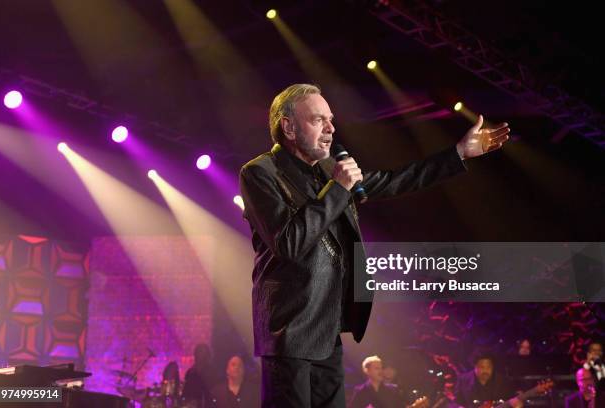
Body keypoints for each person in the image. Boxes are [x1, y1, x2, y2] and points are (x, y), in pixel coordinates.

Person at [239, 83, 510, 407]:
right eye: (318, 120)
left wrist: (458, 154)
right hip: (289, 333)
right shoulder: (260, 173)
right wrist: (338, 188)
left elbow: (394, 180)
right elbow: (289, 242)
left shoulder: (327, 171)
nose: (330, 129)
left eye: (331, 120)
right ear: (289, 126)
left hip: (327, 329)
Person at [453, 351, 522, 408]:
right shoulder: (463, 380)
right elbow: (455, 403)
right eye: (482, 367)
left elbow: (511, 400)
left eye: (489, 367)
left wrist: (517, 405)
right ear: (475, 367)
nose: (485, 370)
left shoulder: (502, 381)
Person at [183, 343, 218, 408]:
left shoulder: (212, 372)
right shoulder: (190, 372)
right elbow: (185, 393)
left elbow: (215, 392)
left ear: (207, 355)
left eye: (203, 353)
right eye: (199, 352)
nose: (201, 355)